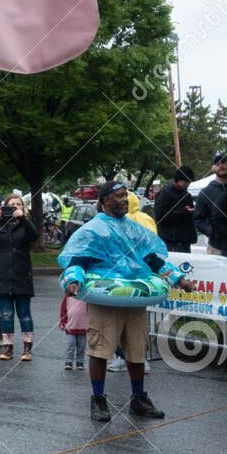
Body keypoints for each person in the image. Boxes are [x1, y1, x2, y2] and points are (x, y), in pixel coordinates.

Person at [59, 181, 167, 425]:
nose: (125, 200)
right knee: (100, 350)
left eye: (126, 196)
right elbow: (78, 259)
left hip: (134, 297)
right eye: (119, 196)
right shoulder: (93, 230)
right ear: (104, 201)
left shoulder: (134, 229)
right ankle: (98, 399)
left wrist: (176, 278)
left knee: (137, 350)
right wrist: (74, 280)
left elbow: (151, 258)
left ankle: (139, 398)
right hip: (105, 298)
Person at [0, 194, 37, 362]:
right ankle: (8, 348)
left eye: (18, 204)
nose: (15, 207)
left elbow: (34, 236)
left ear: (23, 208)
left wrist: (24, 219)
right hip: (2, 276)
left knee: (24, 313)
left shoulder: (26, 226)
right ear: (4, 207)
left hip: (22, 276)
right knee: (6, 314)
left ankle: (27, 349)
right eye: (11, 205)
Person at [194, 152, 227, 252]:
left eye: (223, 162)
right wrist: (211, 231)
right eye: (217, 163)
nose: (220, 165)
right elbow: (198, 220)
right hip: (216, 247)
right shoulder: (205, 192)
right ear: (212, 167)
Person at [153, 167, 197, 251]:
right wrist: (182, 212)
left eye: (189, 182)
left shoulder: (187, 196)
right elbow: (160, 217)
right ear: (178, 180)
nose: (188, 184)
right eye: (186, 181)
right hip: (170, 242)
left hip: (185, 242)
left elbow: (190, 219)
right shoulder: (164, 194)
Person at [59, 285, 88, 372]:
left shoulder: (87, 297)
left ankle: (80, 362)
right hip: (70, 327)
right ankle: (68, 362)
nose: (75, 287)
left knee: (82, 346)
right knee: (70, 345)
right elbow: (63, 311)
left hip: (83, 327)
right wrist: (63, 322)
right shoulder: (68, 297)